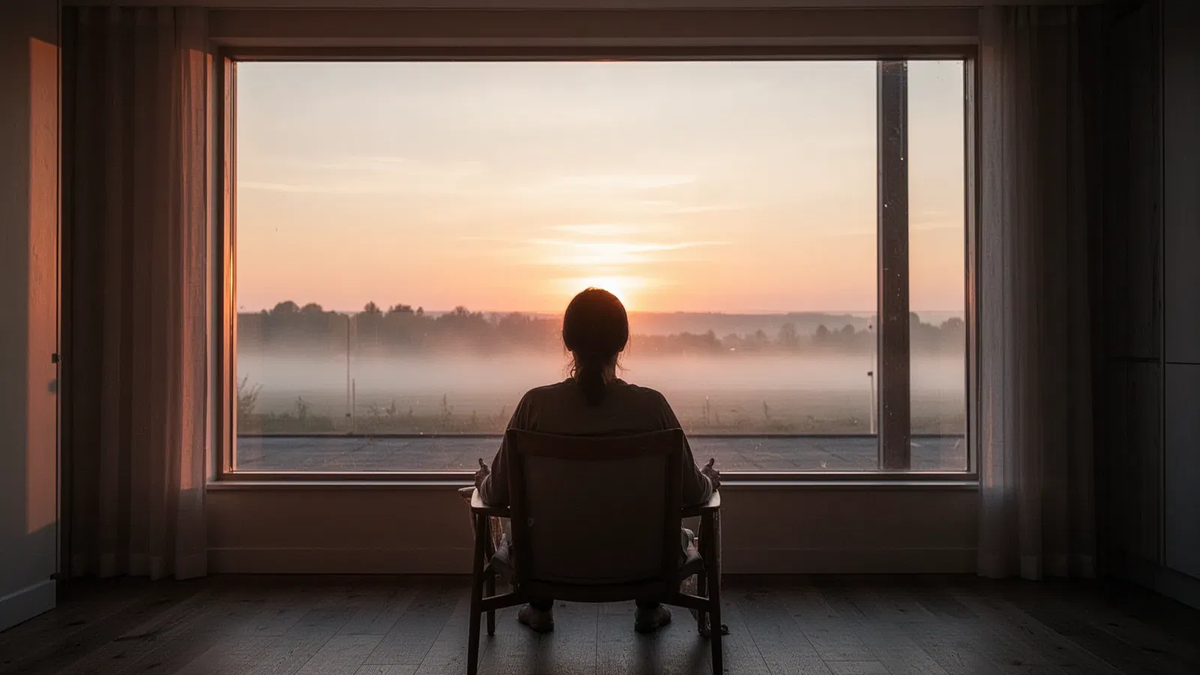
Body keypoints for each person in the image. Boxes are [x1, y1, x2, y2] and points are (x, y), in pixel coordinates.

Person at [474, 287, 721, 635]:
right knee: (668, 531)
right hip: (642, 564)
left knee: (535, 529)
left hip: (548, 565)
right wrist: (710, 479)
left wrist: (480, 481)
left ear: (566, 339)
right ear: (623, 342)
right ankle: (649, 607)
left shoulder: (535, 407)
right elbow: (696, 494)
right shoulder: (652, 408)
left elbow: (496, 494)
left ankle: (539, 608)